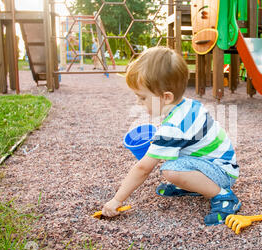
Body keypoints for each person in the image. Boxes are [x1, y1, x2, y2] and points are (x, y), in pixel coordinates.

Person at [101, 47, 241, 225]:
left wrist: (117, 200)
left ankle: (225, 197)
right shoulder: (188, 105)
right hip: (220, 165)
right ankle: (194, 186)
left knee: (171, 170)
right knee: (173, 166)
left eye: (142, 98)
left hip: (222, 173)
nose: (138, 103)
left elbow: (143, 168)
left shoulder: (173, 127)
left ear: (166, 97)